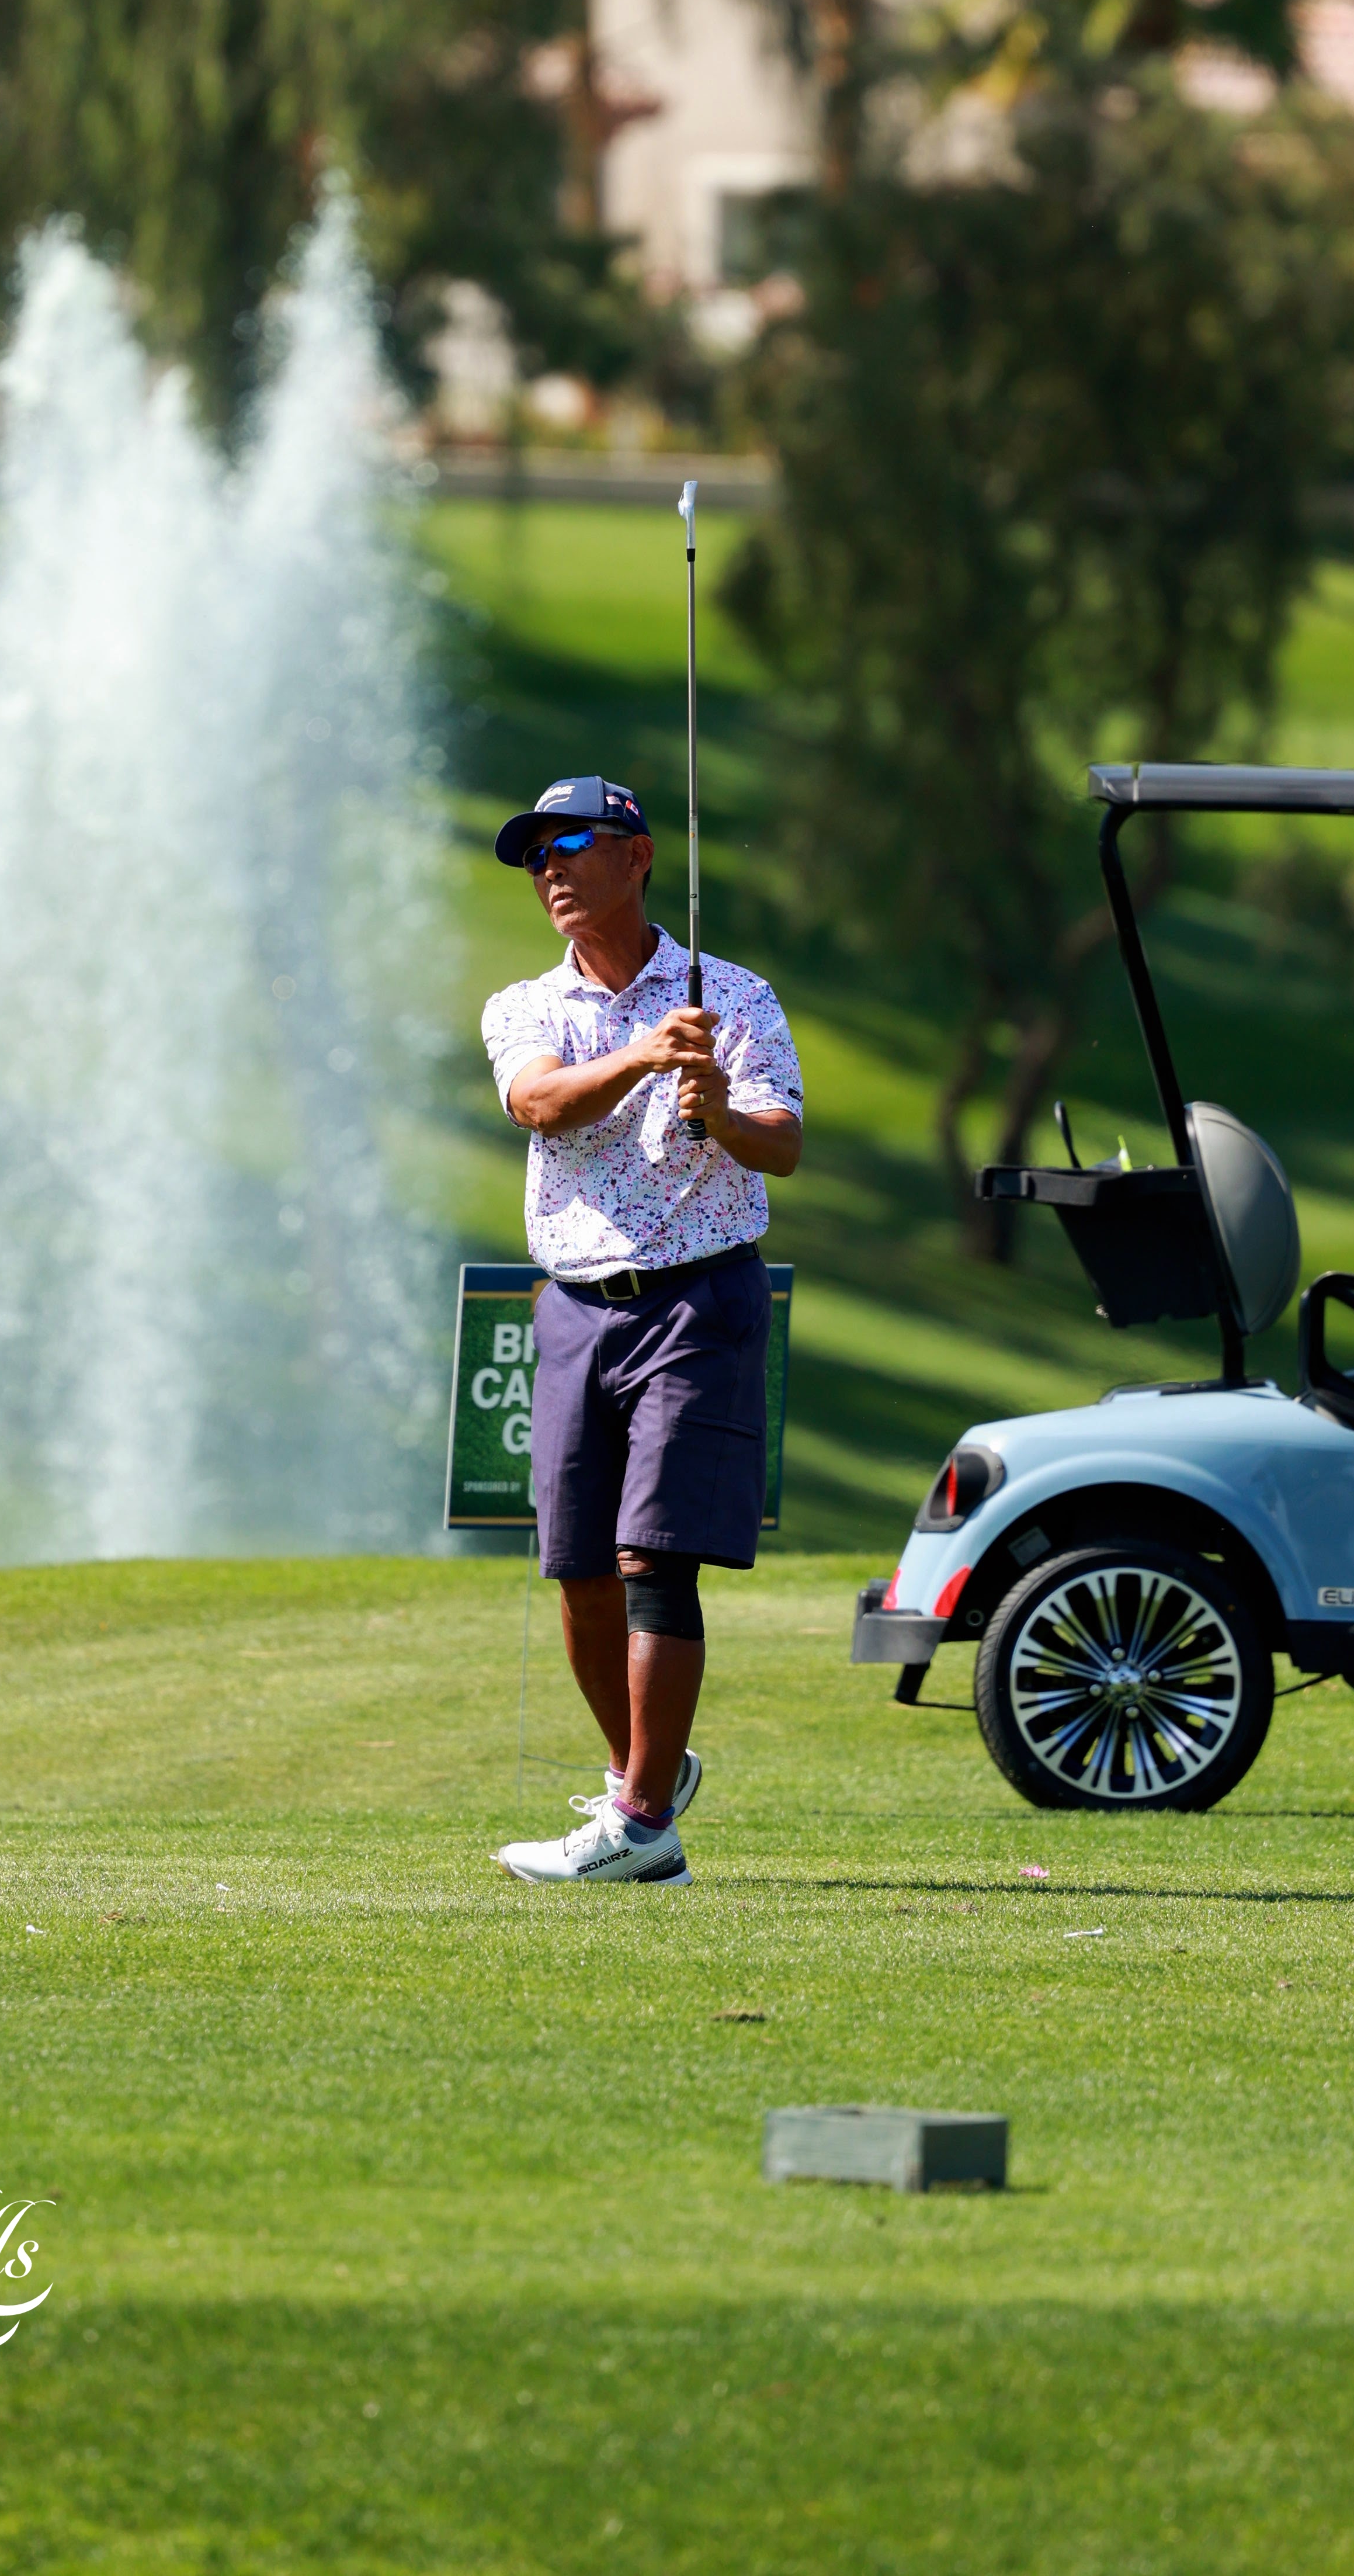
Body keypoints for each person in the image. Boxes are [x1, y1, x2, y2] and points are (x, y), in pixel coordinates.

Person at [481, 773, 803, 1887]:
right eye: (536, 854)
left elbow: (782, 1145)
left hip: (697, 1299)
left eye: (574, 843)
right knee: (580, 1571)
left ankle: (645, 1824)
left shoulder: (736, 997)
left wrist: (717, 1101)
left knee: (654, 1560)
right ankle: (637, 1788)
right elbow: (539, 1105)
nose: (552, 868)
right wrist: (642, 1061)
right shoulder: (525, 1007)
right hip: (575, 1304)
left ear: (640, 856)